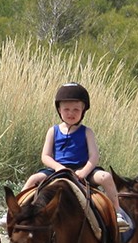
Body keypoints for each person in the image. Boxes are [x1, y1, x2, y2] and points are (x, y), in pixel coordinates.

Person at [23, 82, 130, 232]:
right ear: (59, 110)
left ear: (83, 111)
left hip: (82, 169)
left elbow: (94, 157)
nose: (71, 113)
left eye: (76, 110)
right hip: (58, 169)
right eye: (66, 109)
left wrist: (83, 173)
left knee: (105, 177)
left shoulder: (87, 132)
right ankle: (16, 212)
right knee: (33, 179)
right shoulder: (53, 131)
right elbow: (45, 156)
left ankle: (117, 211)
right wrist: (59, 167)